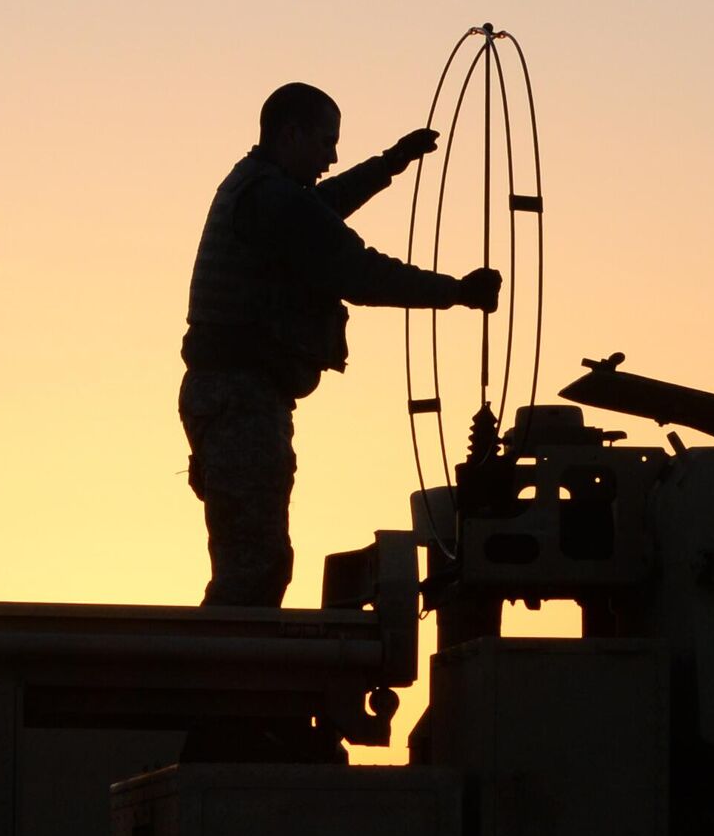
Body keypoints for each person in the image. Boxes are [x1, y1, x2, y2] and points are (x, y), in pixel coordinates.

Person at [180, 81, 499, 608]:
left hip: (228, 397)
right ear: (291, 134)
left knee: (251, 561)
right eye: (326, 142)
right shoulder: (275, 200)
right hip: (241, 401)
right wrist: (458, 292)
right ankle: (221, 681)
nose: (332, 156)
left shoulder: (258, 187)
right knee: (254, 570)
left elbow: (321, 208)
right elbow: (358, 271)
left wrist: (389, 165)